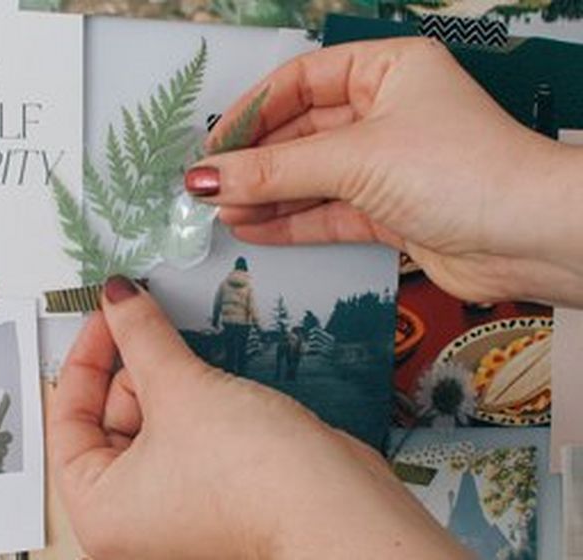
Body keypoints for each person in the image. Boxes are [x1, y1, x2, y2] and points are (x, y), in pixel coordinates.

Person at [50, 37, 583, 559]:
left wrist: (279, 508)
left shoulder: (241, 284)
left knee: (236, 356)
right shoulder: (245, 283)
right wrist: (522, 210)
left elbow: (239, 307)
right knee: (236, 355)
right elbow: (244, 307)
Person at [211, 256, 260, 375]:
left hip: (228, 322)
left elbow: (217, 302)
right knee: (242, 350)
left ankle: (229, 375)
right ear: (245, 268)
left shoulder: (224, 284)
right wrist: (257, 323)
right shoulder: (248, 286)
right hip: (244, 323)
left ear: (235, 267)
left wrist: (215, 319)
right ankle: (242, 374)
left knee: (230, 350)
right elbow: (251, 306)